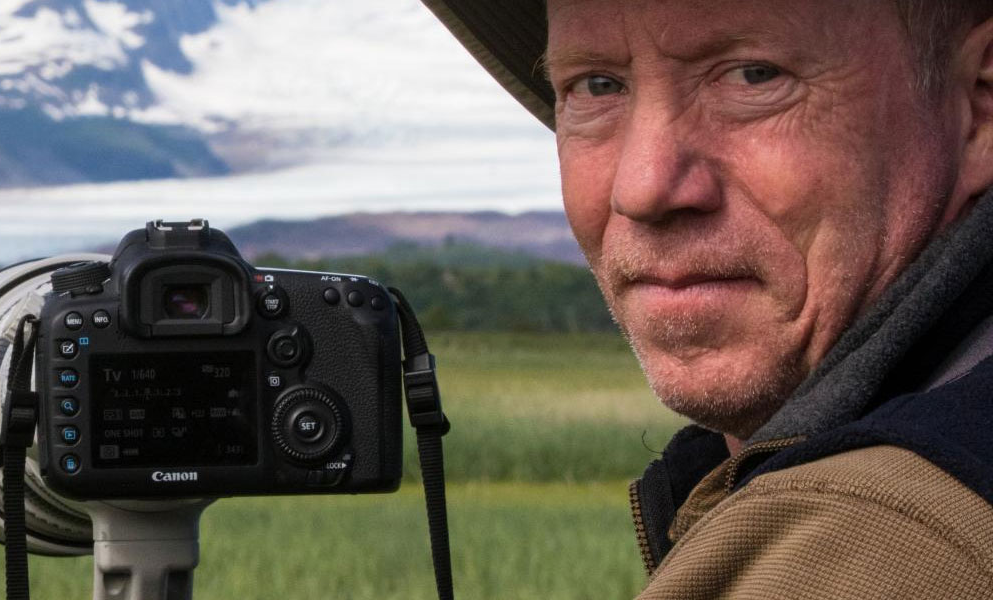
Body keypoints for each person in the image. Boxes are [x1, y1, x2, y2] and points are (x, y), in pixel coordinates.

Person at [421, 0, 993, 596]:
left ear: (978, 105)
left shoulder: (886, 538)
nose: (642, 188)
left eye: (753, 75)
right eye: (597, 86)